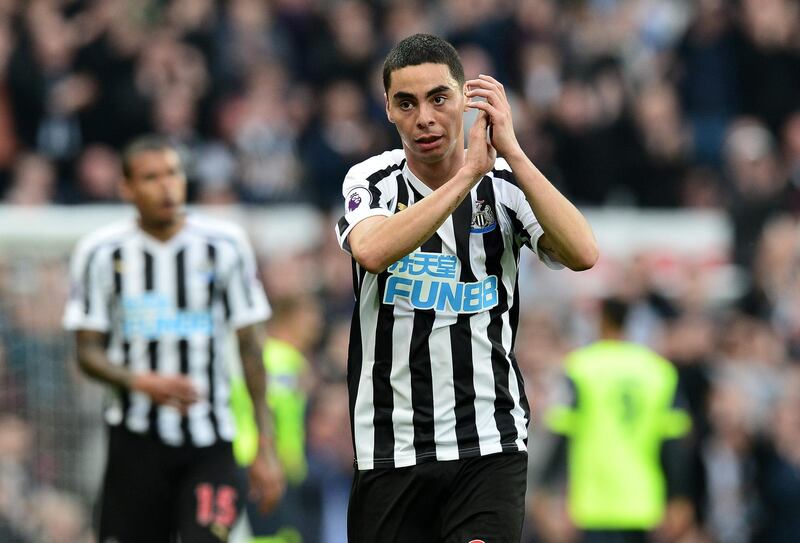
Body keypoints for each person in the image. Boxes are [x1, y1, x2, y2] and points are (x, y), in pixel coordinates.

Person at [334, 33, 598, 543]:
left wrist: (514, 154)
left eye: (439, 98)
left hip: (489, 442)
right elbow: (370, 250)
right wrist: (467, 175)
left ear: (465, 100)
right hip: (392, 444)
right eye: (406, 103)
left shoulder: (505, 184)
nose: (424, 118)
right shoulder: (372, 180)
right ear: (388, 109)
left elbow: (584, 253)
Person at [62, 136, 285, 543]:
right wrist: (139, 382)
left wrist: (266, 445)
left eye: (173, 174)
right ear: (127, 188)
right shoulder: (99, 253)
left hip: (210, 441)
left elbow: (251, 348)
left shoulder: (225, 245)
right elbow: (87, 351)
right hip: (135, 444)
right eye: (151, 177)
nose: (166, 187)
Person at [532, 298, 694, 543]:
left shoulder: (580, 367)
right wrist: (679, 497)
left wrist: (544, 490)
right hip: (644, 502)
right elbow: (674, 446)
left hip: (592, 504)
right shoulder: (660, 372)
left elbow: (563, 437)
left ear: (603, 321)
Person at [230, 294, 324, 542]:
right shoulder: (282, 360)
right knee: (275, 535)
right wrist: (275, 456)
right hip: (268, 462)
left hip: (252, 458)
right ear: (289, 319)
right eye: (309, 317)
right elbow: (273, 409)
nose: (317, 324)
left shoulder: (264, 357)